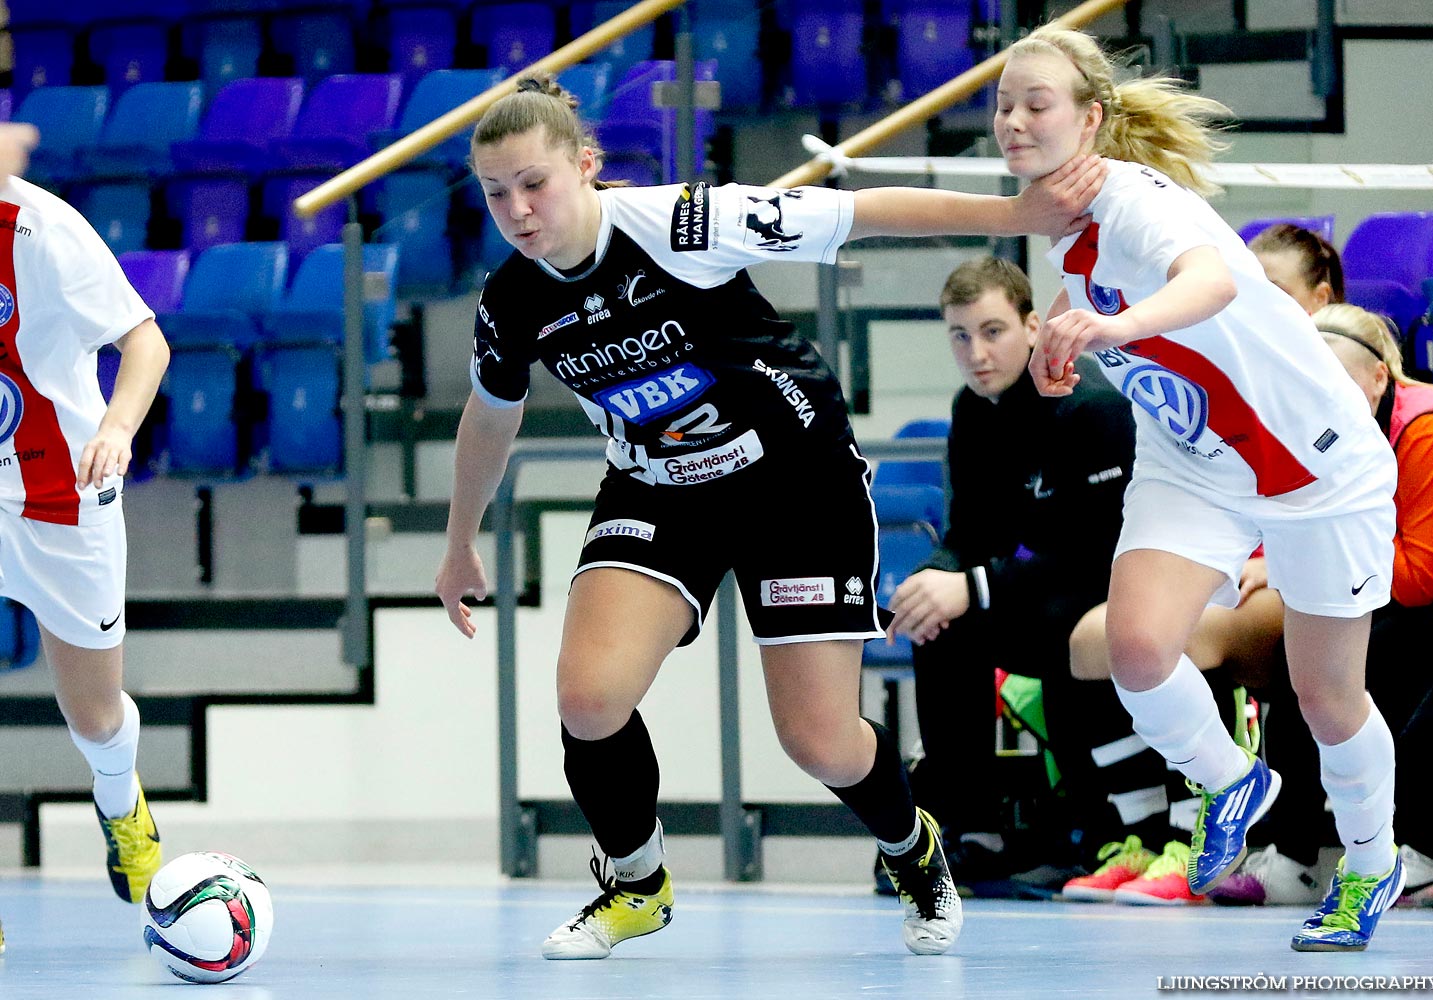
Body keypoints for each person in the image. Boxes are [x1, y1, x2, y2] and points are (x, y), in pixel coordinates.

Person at [433, 76, 1104, 959]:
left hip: (795, 481)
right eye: (496, 193)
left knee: (820, 743)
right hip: (659, 488)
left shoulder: (686, 224)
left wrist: (1015, 213)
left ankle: (914, 846)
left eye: (535, 183)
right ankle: (635, 886)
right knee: (588, 698)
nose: (517, 209)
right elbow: (491, 415)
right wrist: (457, 542)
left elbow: (858, 214)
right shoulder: (512, 301)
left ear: (585, 167)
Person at [998, 26, 1403, 951]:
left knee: (1328, 698)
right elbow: (1092, 305)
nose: (1012, 121)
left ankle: (1371, 867)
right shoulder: (1063, 229)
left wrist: (1116, 326)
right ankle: (1230, 780)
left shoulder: (1145, 202)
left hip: (1314, 463)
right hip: (1198, 457)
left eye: (1036, 103)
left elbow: (1211, 281)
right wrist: (1067, 339)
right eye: (1003, 103)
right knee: (1134, 647)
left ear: (1090, 119)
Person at [1064, 222, 1346, 904]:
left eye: (1272, 292)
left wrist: (1280, 561)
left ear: (1319, 299)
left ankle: (1204, 845)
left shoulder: (1340, 380)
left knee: (1182, 633)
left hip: (1307, 578)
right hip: (1226, 565)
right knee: (1093, 638)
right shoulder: (1217, 371)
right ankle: (1150, 834)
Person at [882, 257, 1150, 898]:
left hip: (1106, 592)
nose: (976, 353)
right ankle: (971, 829)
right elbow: (969, 532)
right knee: (937, 625)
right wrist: (933, 582)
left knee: (1065, 627)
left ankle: (1089, 833)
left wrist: (971, 585)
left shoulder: (1092, 406)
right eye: (960, 335)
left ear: (1034, 326)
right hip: (1030, 591)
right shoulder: (972, 410)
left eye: (993, 330)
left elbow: (1091, 553)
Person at [1206, 305, 1433, 909]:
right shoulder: (1303, 426)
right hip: (1373, 592)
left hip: (1426, 609)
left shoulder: (1429, 428)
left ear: (1379, 377)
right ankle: (1297, 854)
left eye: (1342, 388)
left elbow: (1423, 574)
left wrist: (1312, 559)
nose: (1327, 404)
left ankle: (1416, 845)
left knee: (1369, 660)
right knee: (1302, 658)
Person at [0, 138, 171, 958]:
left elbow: (146, 341)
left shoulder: (43, 230)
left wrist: (116, 426)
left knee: (95, 717)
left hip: (59, 494)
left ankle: (118, 801)